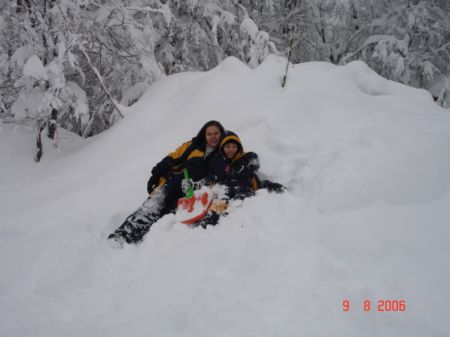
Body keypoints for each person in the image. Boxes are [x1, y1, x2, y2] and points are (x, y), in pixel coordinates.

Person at [108, 120, 225, 245]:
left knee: (165, 219)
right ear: (204, 135)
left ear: (221, 134)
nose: (213, 137)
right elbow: (173, 157)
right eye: (209, 134)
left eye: (216, 133)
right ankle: (122, 235)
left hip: (191, 193)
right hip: (173, 182)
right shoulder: (193, 145)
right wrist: (156, 174)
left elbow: (218, 175)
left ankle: (146, 244)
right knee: (151, 207)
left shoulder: (225, 152)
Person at [194, 131, 285, 228]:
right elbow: (210, 177)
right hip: (224, 190)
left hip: (243, 191)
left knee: (239, 206)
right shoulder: (218, 162)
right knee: (219, 203)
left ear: (239, 148)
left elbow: (258, 182)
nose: (231, 149)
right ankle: (208, 222)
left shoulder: (245, 164)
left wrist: (274, 186)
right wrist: (202, 182)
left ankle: (235, 222)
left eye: (234, 146)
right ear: (222, 147)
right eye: (227, 146)